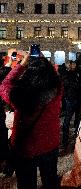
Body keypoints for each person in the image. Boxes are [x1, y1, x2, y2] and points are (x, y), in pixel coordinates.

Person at [0, 52, 62, 188]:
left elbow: (4, 85)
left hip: (25, 148)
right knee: (50, 181)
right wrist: (43, 59)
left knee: (26, 184)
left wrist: (22, 64)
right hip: (50, 144)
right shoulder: (56, 89)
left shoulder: (18, 95)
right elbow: (55, 75)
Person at [61, 60, 81, 149]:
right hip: (70, 99)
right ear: (69, 66)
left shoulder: (78, 73)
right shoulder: (65, 75)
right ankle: (65, 141)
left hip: (78, 98)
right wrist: (79, 84)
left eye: (75, 64)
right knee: (67, 119)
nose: (74, 65)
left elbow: (80, 83)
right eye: (73, 64)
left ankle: (77, 136)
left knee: (78, 119)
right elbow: (72, 85)